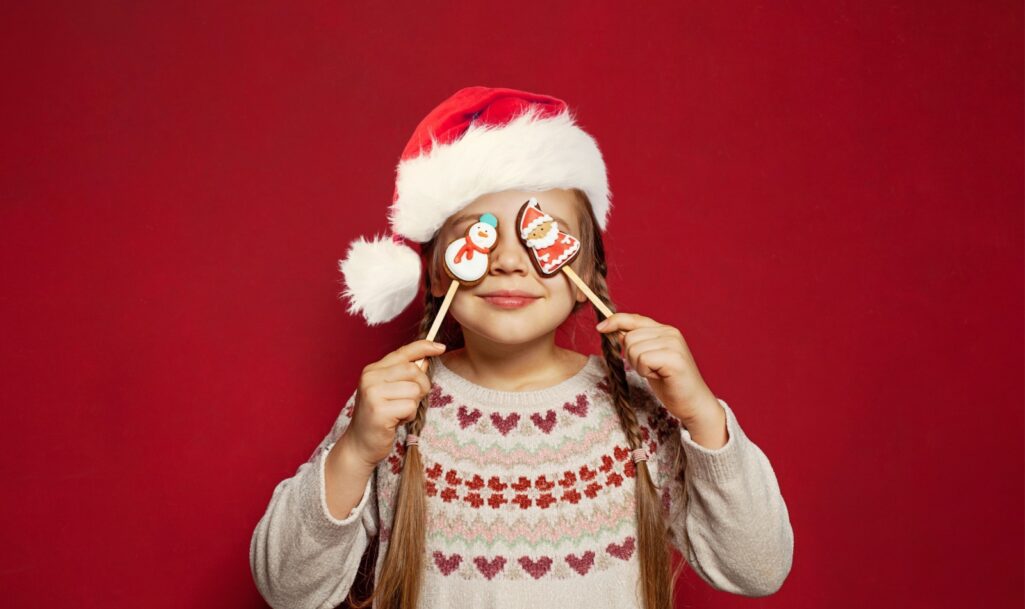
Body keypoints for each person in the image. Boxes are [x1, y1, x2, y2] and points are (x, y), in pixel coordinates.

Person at [250, 86, 794, 609]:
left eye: (540, 235)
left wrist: (702, 415)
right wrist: (354, 451)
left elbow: (759, 568)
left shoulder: (641, 412)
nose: (509, 262)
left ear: (586, 269)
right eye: (479, 236)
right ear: (437, 273)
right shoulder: (390, 412)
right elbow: (288, 589)